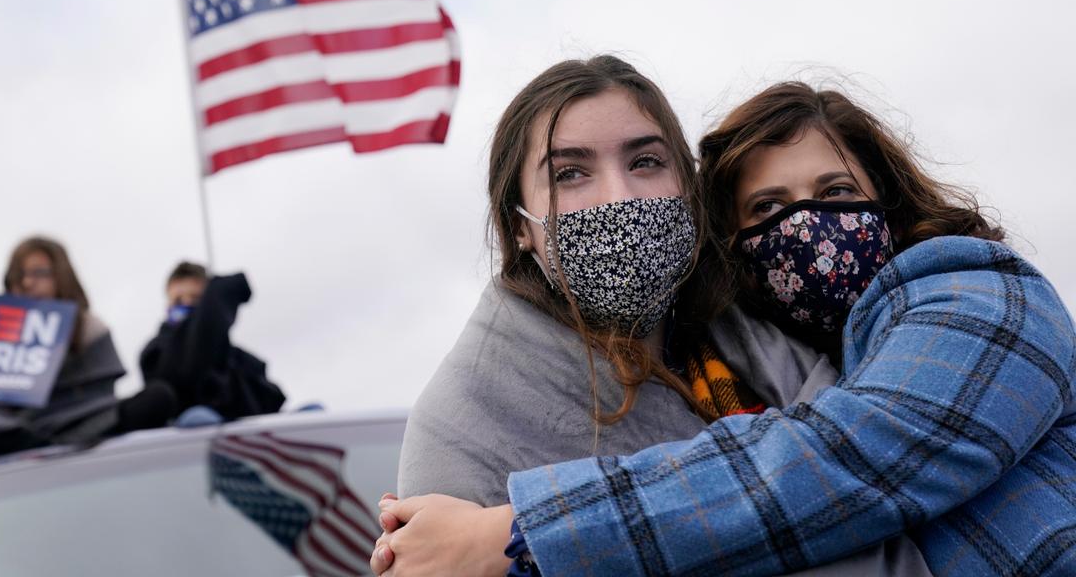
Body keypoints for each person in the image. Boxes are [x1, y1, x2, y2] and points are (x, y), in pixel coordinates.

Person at [372, 82, 1076, 576]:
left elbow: (843, 459)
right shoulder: (772, 352)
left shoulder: (979, 292)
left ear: (886, 200)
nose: (807, 228)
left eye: (835, 194)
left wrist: (518, 535)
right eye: (768, 208)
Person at [0, 236, 172, 464]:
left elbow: (101, 393)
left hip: (92, 423)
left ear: (61, 277)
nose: (27, 283)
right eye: (18, 276)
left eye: (39, 273)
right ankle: (46, 451)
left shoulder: (89, 328)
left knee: (159, 396)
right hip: (20, 429)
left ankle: (50, 453)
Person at [139, 262, 286, 422]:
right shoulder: (155, 353)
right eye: (178, 300)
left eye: (195, 298)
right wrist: (220, 292)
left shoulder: (241, 361)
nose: (187, 303)